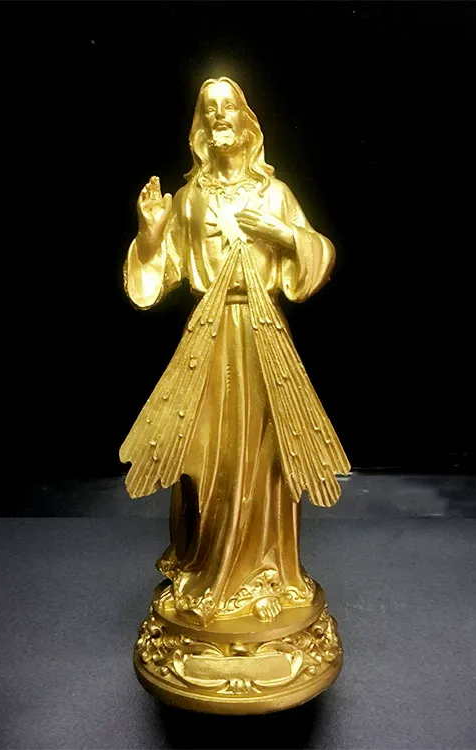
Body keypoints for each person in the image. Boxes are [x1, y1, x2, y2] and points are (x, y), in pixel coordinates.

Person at [120, 77, 349, 627]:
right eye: (210, 109)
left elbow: (318, 253)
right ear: (200, 126)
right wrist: (150, 235)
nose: (220, 116)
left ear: (247, 122)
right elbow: (157, 280)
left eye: (229, 107)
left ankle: (266, 571)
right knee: (205, 456)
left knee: (269, 457)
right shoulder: (190, 199)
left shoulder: (275, 194)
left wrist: (281, 234)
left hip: (264, 337)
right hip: (208, 339)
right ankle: (203, 566)